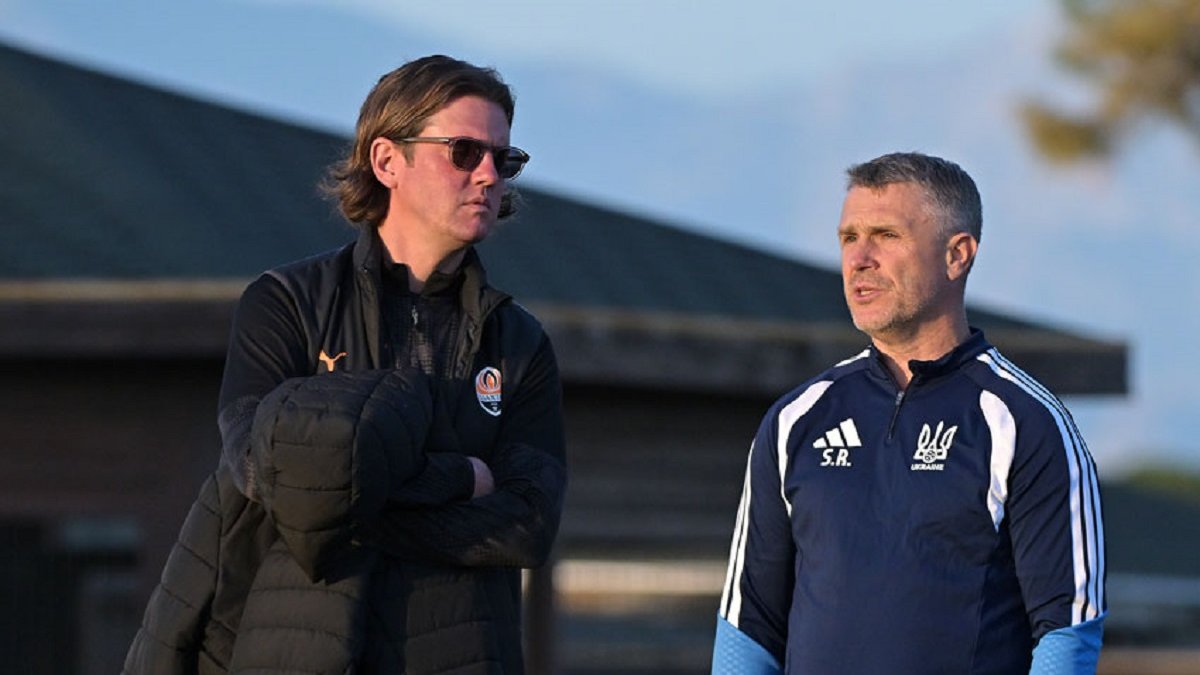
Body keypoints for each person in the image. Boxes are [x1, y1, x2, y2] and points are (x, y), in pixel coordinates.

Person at [123, 55, 566, 674]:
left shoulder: (518, 341)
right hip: (295, 652)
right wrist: (462, 478)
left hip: (457, 655)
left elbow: (528, 526)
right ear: (387, 161)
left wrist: (345, 505)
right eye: (464, 152)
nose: (489, 175)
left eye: (504, 158)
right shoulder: (287, 303)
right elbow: (261, 474)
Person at [712, 152, 1105, 674]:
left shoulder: (1024, 421)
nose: (859, 258)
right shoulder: (795, 419)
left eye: (886, 235)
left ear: (957, 255)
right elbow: (749, 624)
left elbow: (1067, 627)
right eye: (849, 238)